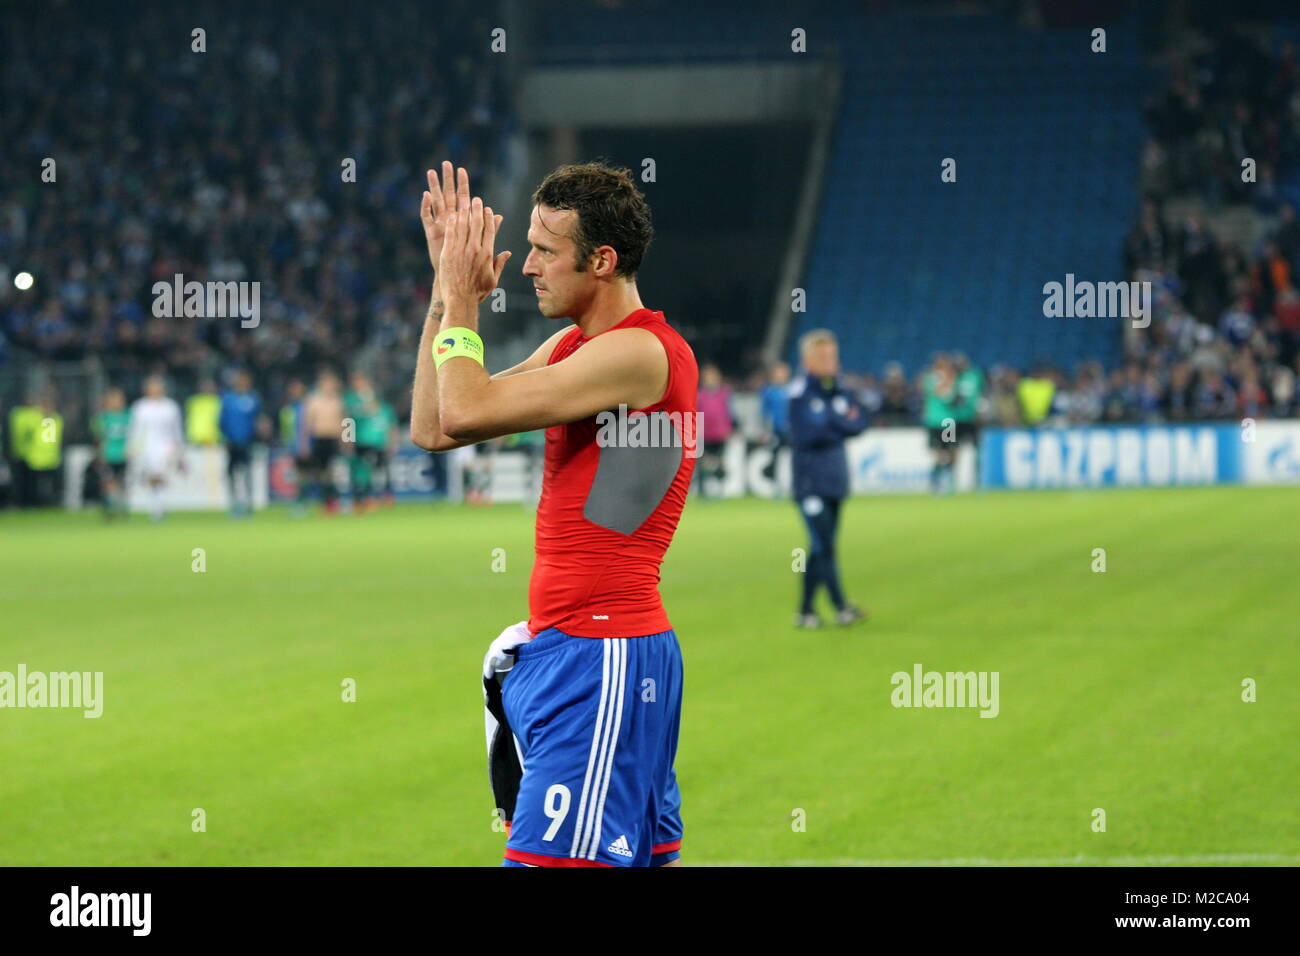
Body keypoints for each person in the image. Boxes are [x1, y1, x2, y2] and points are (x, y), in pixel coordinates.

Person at [410, 160, 694, 867]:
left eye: (545, 250)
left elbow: (466, 405)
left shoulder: (639, 352)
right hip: (580, 652)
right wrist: (443, 296)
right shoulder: (575, 347)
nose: (527, 265)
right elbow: (436, 426)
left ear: (601, 260)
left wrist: (463, 302)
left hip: (603, 659)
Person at [787, 329, 868, 629]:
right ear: (807, 360)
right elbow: (810, 433)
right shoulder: (800, 393)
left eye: (833, 355)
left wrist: (834, 421)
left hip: (834, 480)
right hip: (810, 484)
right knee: (822, 545)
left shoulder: (838, 390)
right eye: (823, 356)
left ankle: (806, 611)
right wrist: (840, 421)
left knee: (823, 546)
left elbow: (861, 422)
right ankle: (840, 607)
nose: (831, 361)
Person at [128, 376, 185, 522]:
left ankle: (159, 509)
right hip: (147, 447)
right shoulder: (140, 407)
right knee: (152, 479)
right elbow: (135, 429)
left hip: (166, 446)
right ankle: (156, 507)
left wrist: (179, 448)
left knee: (161, 476)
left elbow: (176, 429)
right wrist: (132, 447)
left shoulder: (170, 407)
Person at [219, 370, 262, 517]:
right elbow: (222, 421)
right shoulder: (228, 399)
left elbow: (258, 421)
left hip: (247, 442)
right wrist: (225, 438)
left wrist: (258, 436)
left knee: (247, 474)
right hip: (232, 443)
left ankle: (248, 504)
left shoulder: (253, 399)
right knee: (231, 474)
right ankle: (234, 504)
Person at [302, 369, 344, 514]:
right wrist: (305, 444)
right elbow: (307, 424)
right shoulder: (314, 401)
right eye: (327, 383)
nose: (329, 386)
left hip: (333, 439)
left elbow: (345, 421)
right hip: (319, 439)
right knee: (320, 473)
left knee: (332, 472)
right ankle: (325, 500)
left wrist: (348, 441)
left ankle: (332, 501)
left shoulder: (338, 401)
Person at [696, 364, 734, 498]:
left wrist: (730, 428)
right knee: (703, 464)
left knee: (720, 463)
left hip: (720, 434)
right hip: (704, 435)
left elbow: (729, 413)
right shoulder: (699, 396)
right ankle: (703, 491)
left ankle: (720, 490)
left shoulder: (724, 394)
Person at [91, 388, 131, 519]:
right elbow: (98, 438)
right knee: (107, 483)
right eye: (113, 400)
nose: (116, 403)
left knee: (122, 484)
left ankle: (122, 508)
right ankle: (108, 509)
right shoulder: (103, 418)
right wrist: (99, 454)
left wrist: (131, 450)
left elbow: (134, 436)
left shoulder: (129, 417)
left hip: (123, 455)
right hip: (108, 455)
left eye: (118, 400)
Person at [759, 360, 791, 487]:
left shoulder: (792, 389)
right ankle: (775, 486)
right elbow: (764, 412)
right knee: (775, 458)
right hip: (776, 431)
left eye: (783, 372)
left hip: (792, 431)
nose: (781, 375)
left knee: (790, 458)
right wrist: (766, 430)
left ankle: (790, 484)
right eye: (778, 373)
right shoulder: (769, 391)